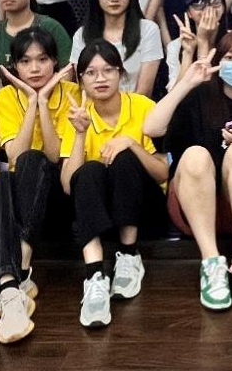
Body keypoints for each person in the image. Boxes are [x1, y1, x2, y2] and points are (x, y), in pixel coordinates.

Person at [145, 32, 232, 309]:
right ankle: (211, 263)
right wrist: (187, 83)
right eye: (230, 57)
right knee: (195, 154)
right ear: (218, 61)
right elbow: (151, 128)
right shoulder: (198, 95)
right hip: (192, 208)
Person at [0, 28, 77, 342]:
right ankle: (11, 287)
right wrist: (32, 102)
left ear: (55, 61)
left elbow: (55, 155)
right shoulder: (6, 97)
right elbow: (14, 155)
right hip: (22, 196)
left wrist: (44, 102)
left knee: (34, 159)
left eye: (42, 59)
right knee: (4, 177)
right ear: (15, 66)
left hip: (58, 195)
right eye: (26, 61)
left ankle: (13, 276)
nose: (35, 68)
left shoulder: (72, 92)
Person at [60, 42, 169, 328]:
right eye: (91, 72)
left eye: (108, 70)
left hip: (145, 210)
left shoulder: (143, 106)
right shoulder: (76, 115)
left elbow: (162, 173)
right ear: (80, 80)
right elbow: (69, 186)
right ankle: (95, 274)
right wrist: (80, 133)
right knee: (88, 170)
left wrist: (131, 143)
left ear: (120, 73)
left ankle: (129, 256)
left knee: (124, 157)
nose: (100, 78)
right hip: (99, 215)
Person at [69, 0, 164, 96]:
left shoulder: (148, 30)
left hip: (136, 107)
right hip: (93, 108)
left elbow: (144, 92)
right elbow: (83, 87)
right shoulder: (81, 35)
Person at [164, 0, 227, 90]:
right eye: (199, 3)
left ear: (223, 7)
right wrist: (188, 53)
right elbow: (175, 95)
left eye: (214, 2)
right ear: (189, 13)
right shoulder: (176, 46)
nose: (208, 9)